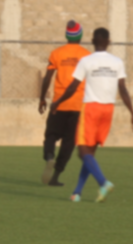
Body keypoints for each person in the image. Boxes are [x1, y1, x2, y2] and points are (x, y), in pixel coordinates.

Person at [48, 27, 133, 202]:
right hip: (108, 110)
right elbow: (123, 89)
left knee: (82, 152)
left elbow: (73, 87)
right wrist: (132, 113)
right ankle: (77, 193)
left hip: (91, 109)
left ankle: (103, 183)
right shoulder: (117, 61)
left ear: (92, 41)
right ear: (109, 42)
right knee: (89, 155)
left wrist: (57, 102)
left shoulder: (86, 61)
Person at [38, 21, 91, 187]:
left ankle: (49, 156)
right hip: (78, 105)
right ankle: (55, 176)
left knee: (51, 135)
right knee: (69, 142)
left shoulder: (57, 53)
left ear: (66, 36)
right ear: (80, 36)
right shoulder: (86, 55)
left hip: (58, 104)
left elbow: (47, 78)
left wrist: (42, 98)